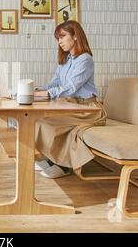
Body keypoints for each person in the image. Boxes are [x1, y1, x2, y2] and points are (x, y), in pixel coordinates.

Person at [33, 20, 107, 179]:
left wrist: (46, 95)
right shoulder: (65, 61)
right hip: (71, 106)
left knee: (51, 124)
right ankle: (52, 159)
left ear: (75, 36)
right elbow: (55, 83)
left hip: (88, 110)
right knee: (40, 121)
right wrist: (37, 91)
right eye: (57, 38)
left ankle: (63, 165)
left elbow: (72, 87)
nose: (59, 42)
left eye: (62, 37)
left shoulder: (85, 59)